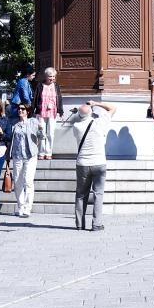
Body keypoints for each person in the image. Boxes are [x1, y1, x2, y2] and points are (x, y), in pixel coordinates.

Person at [61, 100, 115, 231]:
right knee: (98, 194)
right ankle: (96, 224)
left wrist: (87, 109)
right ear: (91, 112)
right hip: (99, 163)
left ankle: (80, 224)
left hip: (83, 164)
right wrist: (95, 103)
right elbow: (112, 108)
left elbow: (82, 117)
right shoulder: (100, 122)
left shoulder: (76, 127)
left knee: (80, 194)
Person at [6, 102, 41, 217]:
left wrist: (41, 129)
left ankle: (27, 207)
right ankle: (20, 206)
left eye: (23, 109)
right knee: (17, 182)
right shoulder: (14, 124)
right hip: (17, 156)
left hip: (30, 156)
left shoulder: (33, 122)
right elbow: (11, 140)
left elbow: (42, 136)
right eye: (19, 109)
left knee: (28, 181)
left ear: (28, 111)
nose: (20, 110)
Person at [36, 67, 63, 160]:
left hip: (53, 112)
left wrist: (61, 111)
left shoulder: (56, 86)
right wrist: (33, 110)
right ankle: (41, 152)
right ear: (46, 76)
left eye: (53, 76)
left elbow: (59, 98)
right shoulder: (40, 85)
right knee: (41, 132)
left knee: (50, 133)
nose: (52, 78)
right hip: (41, 112)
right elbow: (36, 98)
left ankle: (48, 152)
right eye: (50, 76)